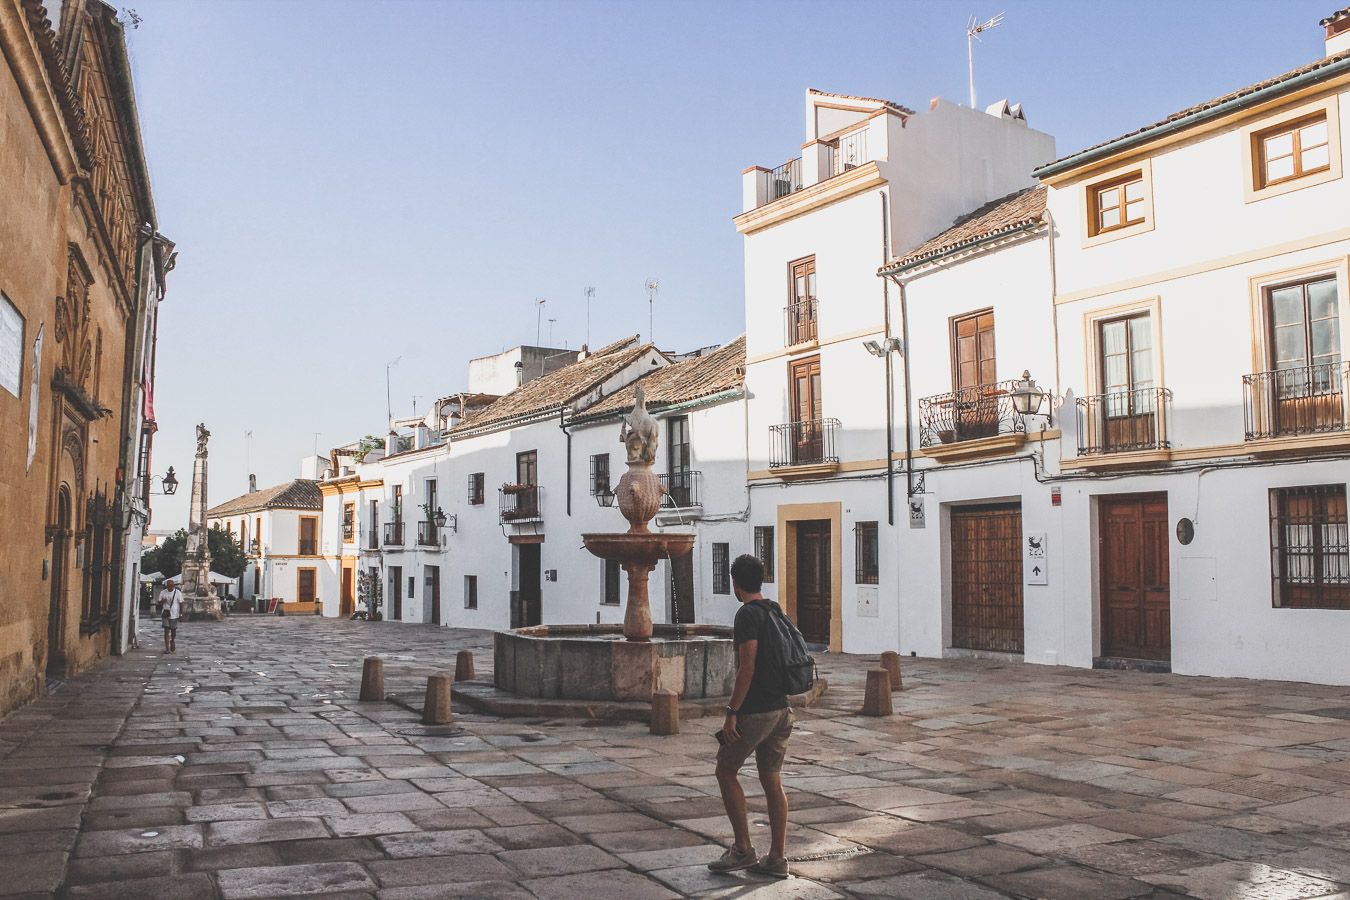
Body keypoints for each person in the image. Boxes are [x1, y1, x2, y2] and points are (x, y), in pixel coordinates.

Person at [708, 554, 793, 879]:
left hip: (756, 710)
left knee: (725, 770)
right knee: (772, 779)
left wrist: (732, 712)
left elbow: (747, 667)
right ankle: (777, 857)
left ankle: (742, 849)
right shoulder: (774, 609)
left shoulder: (746, 615)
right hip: (782, 709)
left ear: (735, 583)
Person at [158, 578, 183, 653]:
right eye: (169, 586)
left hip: (174, 614)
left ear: (173, 586)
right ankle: (167, 648)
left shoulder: (178, 593)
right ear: (167, 586)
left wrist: (181, 614)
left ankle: (172, 640)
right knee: (166, 630)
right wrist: (163, 601)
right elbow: (159, 602)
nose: (170, 588)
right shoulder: (163, 592)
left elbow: (181, 603)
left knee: (173, 631)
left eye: (172, 586)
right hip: (165, 614)